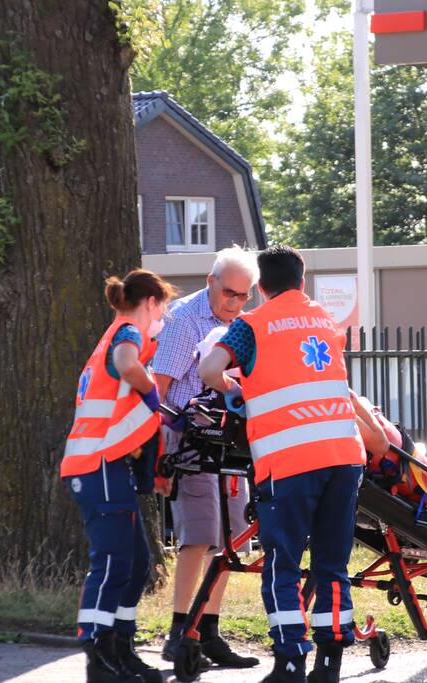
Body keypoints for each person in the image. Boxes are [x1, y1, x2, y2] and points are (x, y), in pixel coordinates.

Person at [198, 245, 365, 683]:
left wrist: (235, 386)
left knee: (283, 562)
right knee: (332, 563)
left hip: (290, 459)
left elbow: (209, 367)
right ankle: (329, 663)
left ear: (261, 288)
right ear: (302, 282)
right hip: (345, 456)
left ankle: (290, 661)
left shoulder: (251, 324)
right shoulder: (327, 321)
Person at [60, 268, 177, 683]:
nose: (161, 315)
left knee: (138, 562)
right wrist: (152, 394)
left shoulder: (112, 335)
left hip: (104, 464)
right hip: (99, 464)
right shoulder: (128, 332)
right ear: (151, 302)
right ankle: (99, 654)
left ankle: (121, 648)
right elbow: (127, 365)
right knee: (112, 563)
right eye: (161, 306)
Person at [154, 246, 260, 669]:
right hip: (190, 437)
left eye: (244, 296)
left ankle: (209, 632)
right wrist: (160, 456)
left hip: (231, 439)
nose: (235, 303)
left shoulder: (243, 325)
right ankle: (179, 632)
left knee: (232, 537)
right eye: (229, 293)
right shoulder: (185, 320)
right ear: (210, 281)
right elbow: (158, 390)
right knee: (199, 536)